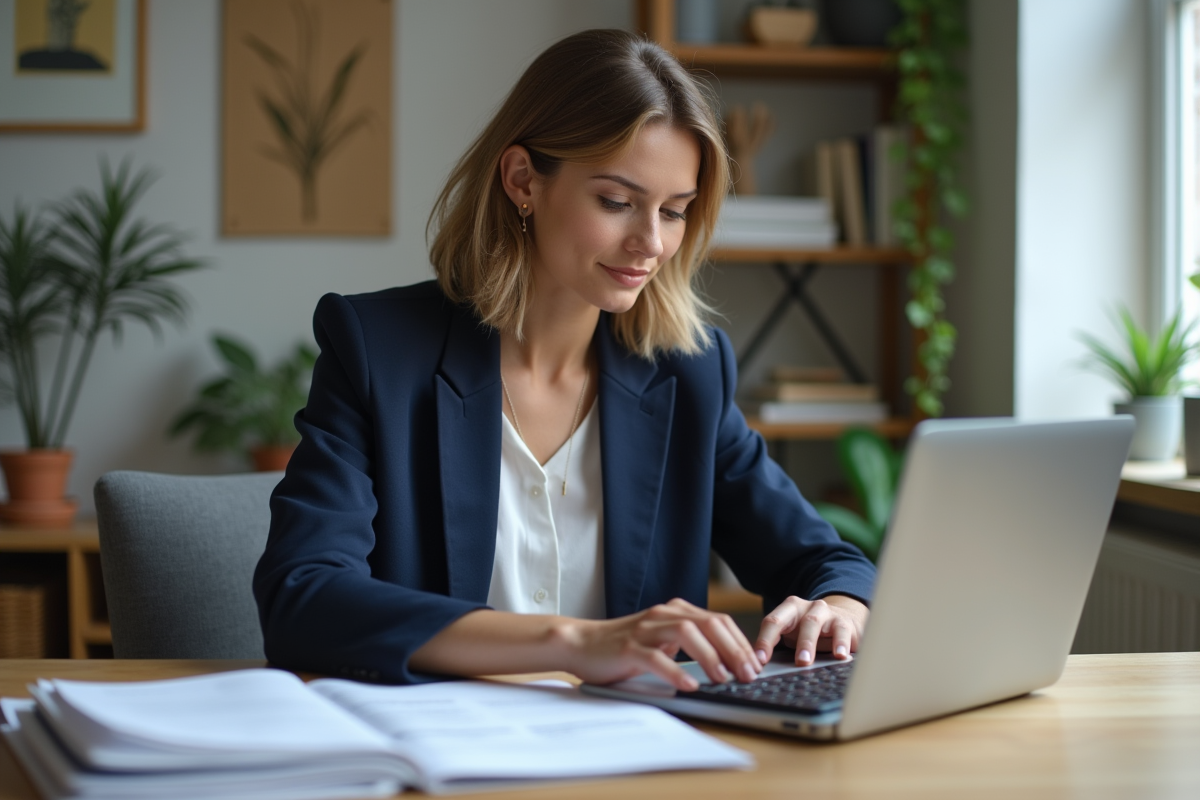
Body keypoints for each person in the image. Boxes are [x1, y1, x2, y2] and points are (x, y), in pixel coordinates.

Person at [253, 29, 875, 691]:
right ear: (523, 180)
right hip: (442, 758)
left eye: (675, 211)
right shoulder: (378, 350)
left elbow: (824, 559)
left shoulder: (688, 371)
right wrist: (575, 643)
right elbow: (303, 597)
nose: (651, 242)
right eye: (617, 202)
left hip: (640, 762)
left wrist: (837, 605)